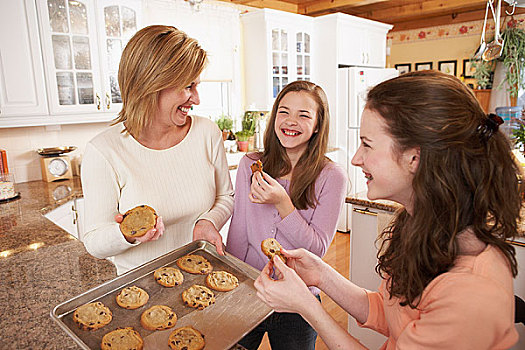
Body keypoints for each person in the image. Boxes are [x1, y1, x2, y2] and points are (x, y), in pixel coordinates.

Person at [253, 71, 520, 349]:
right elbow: (391, 312)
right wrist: (320, 273)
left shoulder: (472, 293)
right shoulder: (418, 226)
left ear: (414, 158)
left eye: (367, 144)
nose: (356, 159)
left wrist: (306, 305)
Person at [81, 25, 234, 275]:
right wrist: (127, 234)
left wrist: (207, 222)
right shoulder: (104, 151)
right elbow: (94, 242)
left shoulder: (207, 133)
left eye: (196, 86)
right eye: (188, 86)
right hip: (140, 288)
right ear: (151, 85)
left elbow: (226, 197)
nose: (196, 99)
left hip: (201, 275)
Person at [226, 80, 348, 350]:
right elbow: (239, 234)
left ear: (317, 124)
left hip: (298, 299)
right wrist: (233, 285)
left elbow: (316, 249)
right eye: (284, 111)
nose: (290, 121)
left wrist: (283, 203)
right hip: (248, 290)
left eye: (303, 115)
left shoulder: (332, 176)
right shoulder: (250, 165)